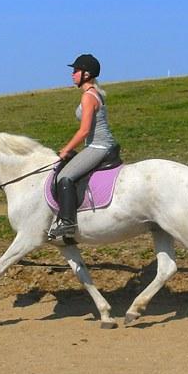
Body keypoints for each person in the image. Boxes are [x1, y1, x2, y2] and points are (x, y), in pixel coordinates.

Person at [47, 54, 119, 240]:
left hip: (99, 146)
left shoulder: (89, 97)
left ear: (86, 74)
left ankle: (68, 223)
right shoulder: (95, 93)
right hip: (98, 145)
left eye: (75, 71)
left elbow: (84, 130)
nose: (72, 75)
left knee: (64, 177)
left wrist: (66, 149)